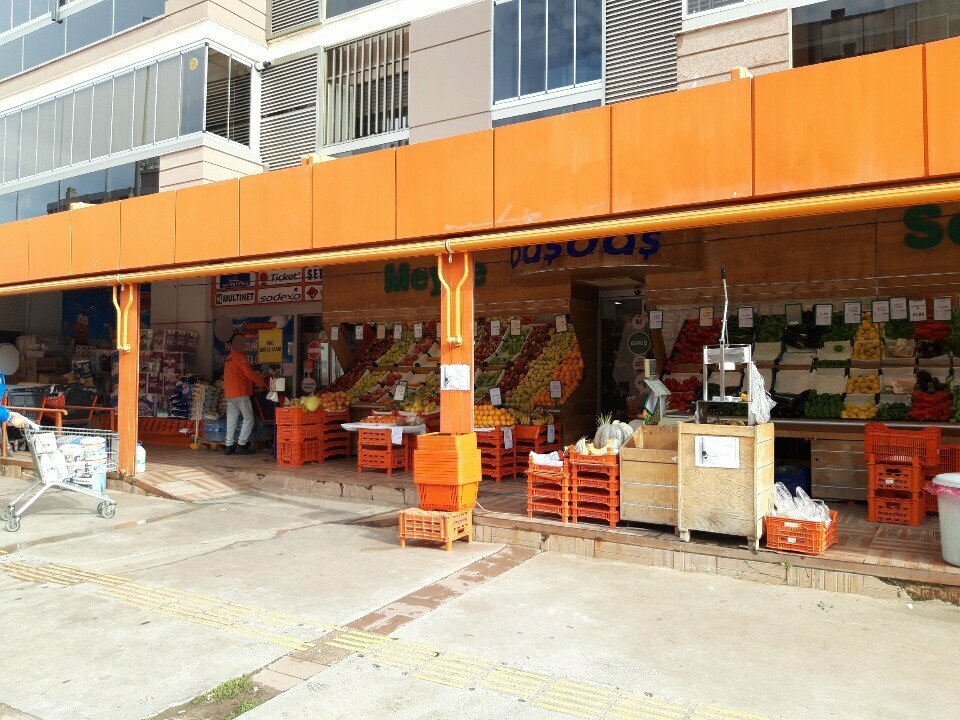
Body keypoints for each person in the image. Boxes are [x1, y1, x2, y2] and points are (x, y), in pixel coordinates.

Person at [223, 332, 267, 455]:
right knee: (248, 419)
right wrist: (262, 383)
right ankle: (241, 445)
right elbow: (248, 373)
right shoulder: (240, 356)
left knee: (232, 420)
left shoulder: (228, 358)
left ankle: (229, 446)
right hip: (240, 392)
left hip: (230, 394)